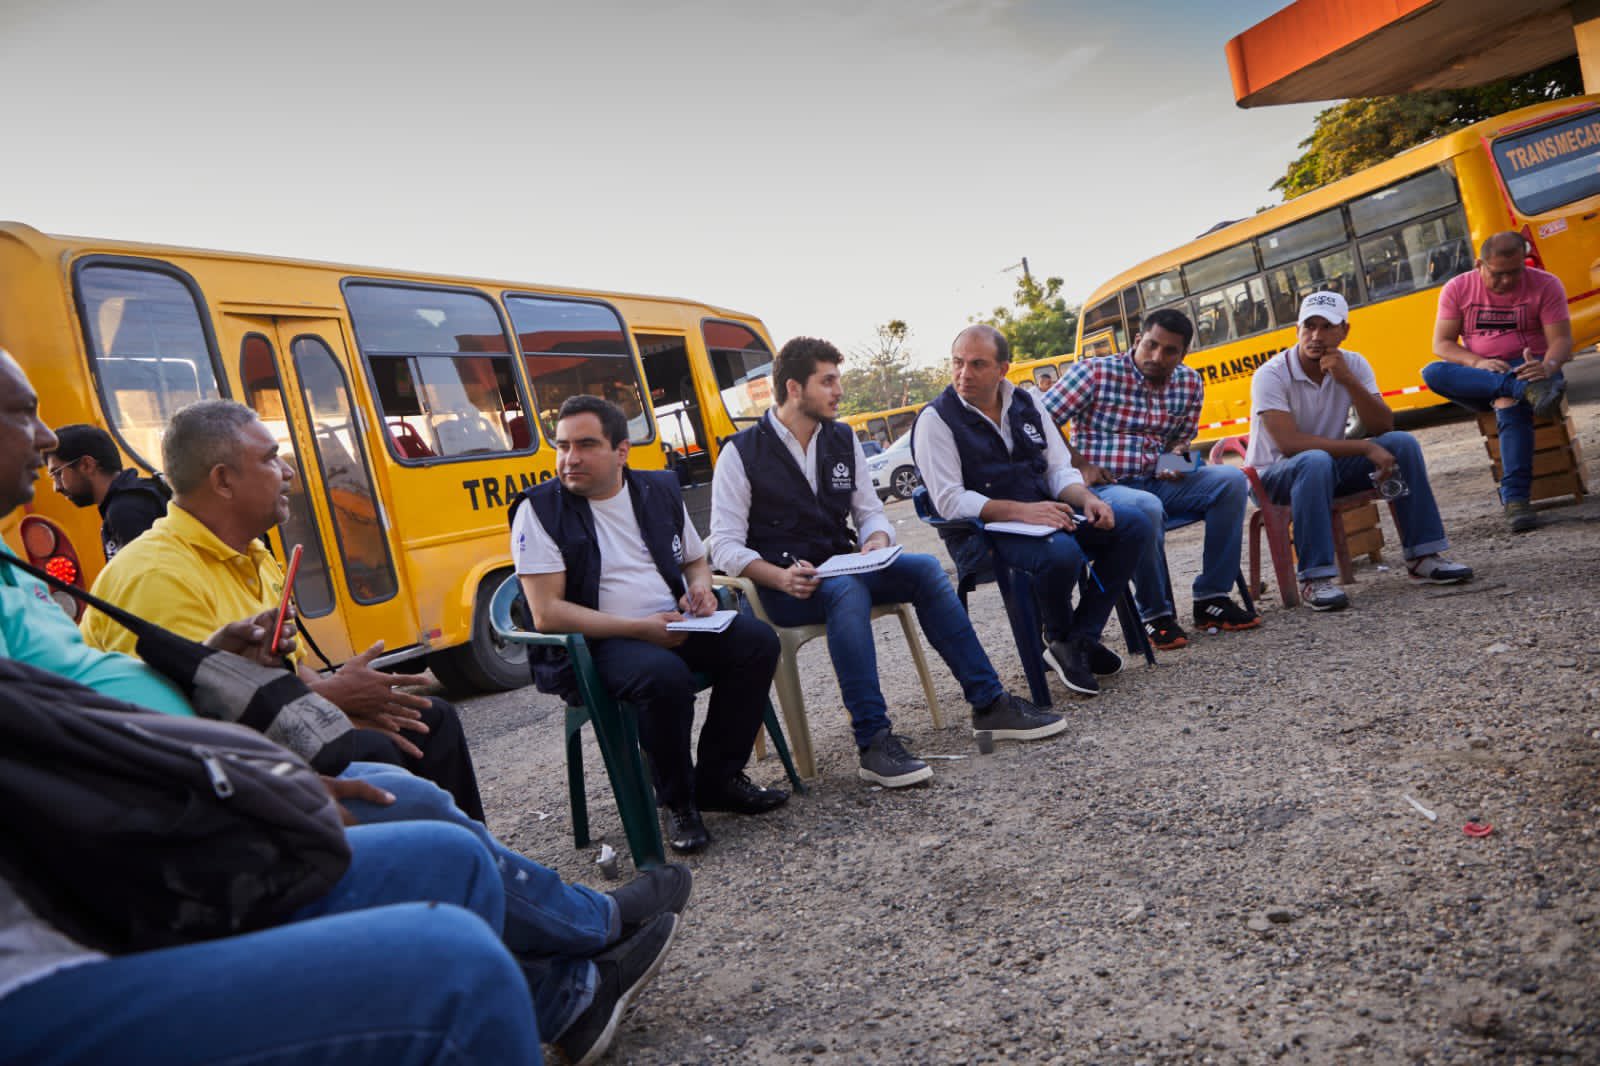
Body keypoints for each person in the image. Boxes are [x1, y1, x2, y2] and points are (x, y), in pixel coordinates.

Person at [0, 350, 689, 1065]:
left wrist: (285, 705)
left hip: (198, 772)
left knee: (425, 731)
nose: (50, 438)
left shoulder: (241, 555)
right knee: (398, 768)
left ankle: (553, 952)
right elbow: (82, 749)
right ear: (224, 478)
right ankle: (570, 943)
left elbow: (147, 693)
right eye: (23, 412)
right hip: (150, 828)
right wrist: (286, 737)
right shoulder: (154, 574)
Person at [79, 401, 486, 822]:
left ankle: (485, 872)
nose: (288, 471)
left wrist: (345, 695)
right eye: (271, 459)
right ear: (223, 480)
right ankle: (430, 865)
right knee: (377, 750)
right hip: (198, 776)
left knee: (431, 720)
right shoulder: (157, 577)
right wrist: (334, 697)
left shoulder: (253, 552)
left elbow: (291, 667)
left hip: (268, 725)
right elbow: (197, 721)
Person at [709, 336, 1064, 793]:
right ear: (794, 388)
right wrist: (776, 575)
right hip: (783, 587)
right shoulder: (740, 452)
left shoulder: (840, 438)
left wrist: (876, 538)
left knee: (924, 570)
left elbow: (870, 510)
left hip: (845, 568)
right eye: (829, 381)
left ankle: (988, 702)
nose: (839, 391)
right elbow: (724, 544)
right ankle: (873, 741)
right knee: (847, 591)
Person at [515, 395, 786, 855]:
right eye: (562, 446)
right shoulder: (539, 510)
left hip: (674, 622)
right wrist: (638, 628)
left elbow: (695, 559)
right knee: (664, 678)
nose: (569, 458)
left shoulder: (658, 489)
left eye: (585, 445)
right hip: (601, 641)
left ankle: (717, 780)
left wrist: (699, 588)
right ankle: (678, 803)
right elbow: (547, 613)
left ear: (621, 451)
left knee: (757, 641)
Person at [913, 326, 1149, 695]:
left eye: (977, 364)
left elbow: (1057, 469)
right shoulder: (936, 420)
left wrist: (1086, 499)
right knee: (1062, 553)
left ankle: (1075, 642)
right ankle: (1061, 637)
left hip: (1046, 519)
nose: (964, 373)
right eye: (958, 363)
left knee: (1132, 524)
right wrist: (1023, 511)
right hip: (980, 536)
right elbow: (949, 501)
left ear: (1002, 368)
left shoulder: (1026, 402)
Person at [1042, 308, 1257, 650]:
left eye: (1169, 351)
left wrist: (1177, 462)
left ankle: (1212, 598)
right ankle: (1156, 614)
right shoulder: (1094, 373)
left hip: (1158, 480)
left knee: (1231, 480)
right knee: (1147, 507)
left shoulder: (1189, 382)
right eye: (1151, 346)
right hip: (1104, 489)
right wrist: (1078, 461)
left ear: (1183, 354)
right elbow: (1040, 420)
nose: (1157, 357)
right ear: (1138, 340)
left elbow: (1182, 440)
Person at [1246, 292, 1473, 611]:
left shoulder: (1353, 364)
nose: (1316, 336)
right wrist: (1364, 447)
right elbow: (1289, 444)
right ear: (1297, 328)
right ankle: (1315, 578)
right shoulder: (1271, 375)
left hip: (1326, 467)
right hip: (1271, 479)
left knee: (1401, 444)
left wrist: (1348, 380)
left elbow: (1382, 424)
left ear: (1345, 331)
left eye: (1327, 327)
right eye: (1309, 326)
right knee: (1313, 460)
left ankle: (1423, 556)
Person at [1421, 231, 1573, 532]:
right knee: (1432, 372)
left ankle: (1516, 501)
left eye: (1516, 272)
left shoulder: (1546, 284)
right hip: (1484, 374)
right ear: (1479, 264)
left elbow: (1562, 341)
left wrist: (1547, 366)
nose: (1508, 281)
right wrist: (1477, 363)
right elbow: (1442, 344)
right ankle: (1520, 389)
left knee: (1509, 404)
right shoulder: (1458, 288)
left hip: (1534, 369)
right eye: (1498, 274)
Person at [46, 423, 169, 559]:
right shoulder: (135, 499)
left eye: (57, 474)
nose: (56, 487)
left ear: (87, 465)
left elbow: (144, 577)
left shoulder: (125, 511)